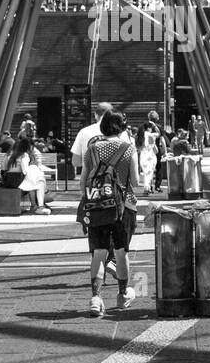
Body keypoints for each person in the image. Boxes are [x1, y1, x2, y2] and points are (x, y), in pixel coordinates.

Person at [80, 111, 139, 317]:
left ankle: (96, 298)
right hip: (122, 208)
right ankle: (122, 295)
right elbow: (137, 183)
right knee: (121, 252)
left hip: (96, 207)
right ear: (122, 127)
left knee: (99, 253)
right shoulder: (128, 149)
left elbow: (83, 183)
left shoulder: (92, 150)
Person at [6, 136, 51, 215]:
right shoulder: (25, 155)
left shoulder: (14, 154)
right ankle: (37, 205)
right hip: (16, 180)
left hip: (10, 179)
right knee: (34, 181)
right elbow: (25, 170)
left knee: (33, 180)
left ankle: (36, 205)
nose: (32, 148)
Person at [71, 103, 113, 172]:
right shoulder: (122, 133)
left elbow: (76, 162)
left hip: (89, 178)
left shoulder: (84, 132)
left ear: (95, 115)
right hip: (113, 180)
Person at [137, 110, 165, 193]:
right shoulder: (158, 127)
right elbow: (161, 138)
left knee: (147, 169)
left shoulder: (142, 126)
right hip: (155, 150)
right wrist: (165, 150)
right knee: (158, 168)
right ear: (157, 118)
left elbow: (138, 138)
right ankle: (157, 185)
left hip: (144, 150)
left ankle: (149, 186)